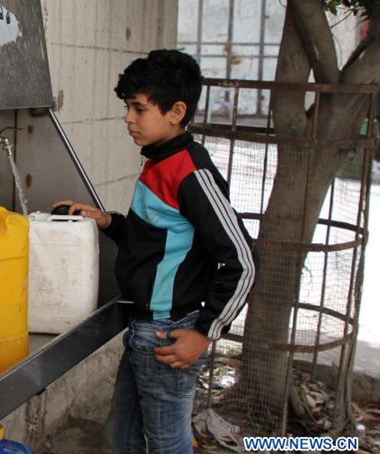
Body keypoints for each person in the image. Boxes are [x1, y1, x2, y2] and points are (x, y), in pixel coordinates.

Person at [54, 49, 257, 454]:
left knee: (166, 446)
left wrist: (205, 332)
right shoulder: (159, 164)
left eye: (138, 108)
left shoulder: (189, 171)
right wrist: (109, 222)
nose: (128, 118)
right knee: (120, 439)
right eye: (128, 107)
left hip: (168, 334)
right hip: (145, 330)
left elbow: (243, 259)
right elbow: (158, 242)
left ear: (176, 111)